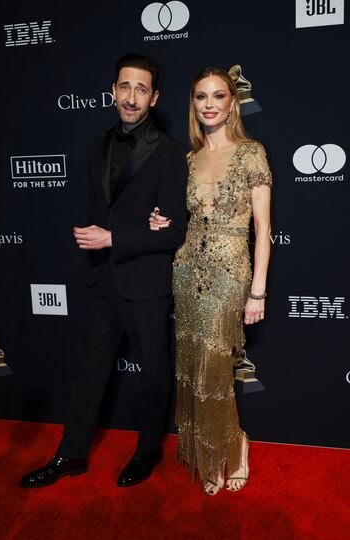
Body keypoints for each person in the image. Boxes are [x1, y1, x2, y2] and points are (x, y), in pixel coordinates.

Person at [21, 53, 188, 489]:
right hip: (100, 281)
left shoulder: (171, 155)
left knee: (154, 373)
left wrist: (116, 238)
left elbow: (173, 233)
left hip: (145, 284)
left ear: (154, 98)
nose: (131, 97)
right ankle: (70, 455)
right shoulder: (98, 143)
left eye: (141, 89)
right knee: (88, 372)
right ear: (113, 90)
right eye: (124, 87)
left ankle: (148, 450)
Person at [149, 66, 272, 495]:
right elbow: (182, 221)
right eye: (201, 97)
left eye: (218, 96)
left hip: (229, 271)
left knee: (215, 368)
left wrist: (257, 291)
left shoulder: (251, 152)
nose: (209, 104)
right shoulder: (187, 160)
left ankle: (234, 445)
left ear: (232, 103)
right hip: (186, 270)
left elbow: (263, 230)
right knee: (192, 368)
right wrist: (160, 221)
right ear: (193, 104)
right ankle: (206, 450)